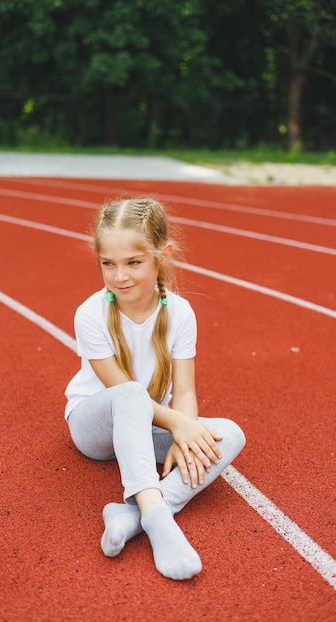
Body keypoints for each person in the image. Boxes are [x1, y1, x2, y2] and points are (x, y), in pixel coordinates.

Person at [64, 197, 245, 581]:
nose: (119, 276)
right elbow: (121, 390)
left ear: (162, 256)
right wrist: (178, 424)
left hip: (146, 427)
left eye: (133, 262)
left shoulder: (180, 313)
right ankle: (156, 516)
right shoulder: (90, 314)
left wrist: (186, 429)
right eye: (107, 264)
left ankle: (128, 517)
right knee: (131, 393)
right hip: (93, 427)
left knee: (229, 434)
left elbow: (185, 392)